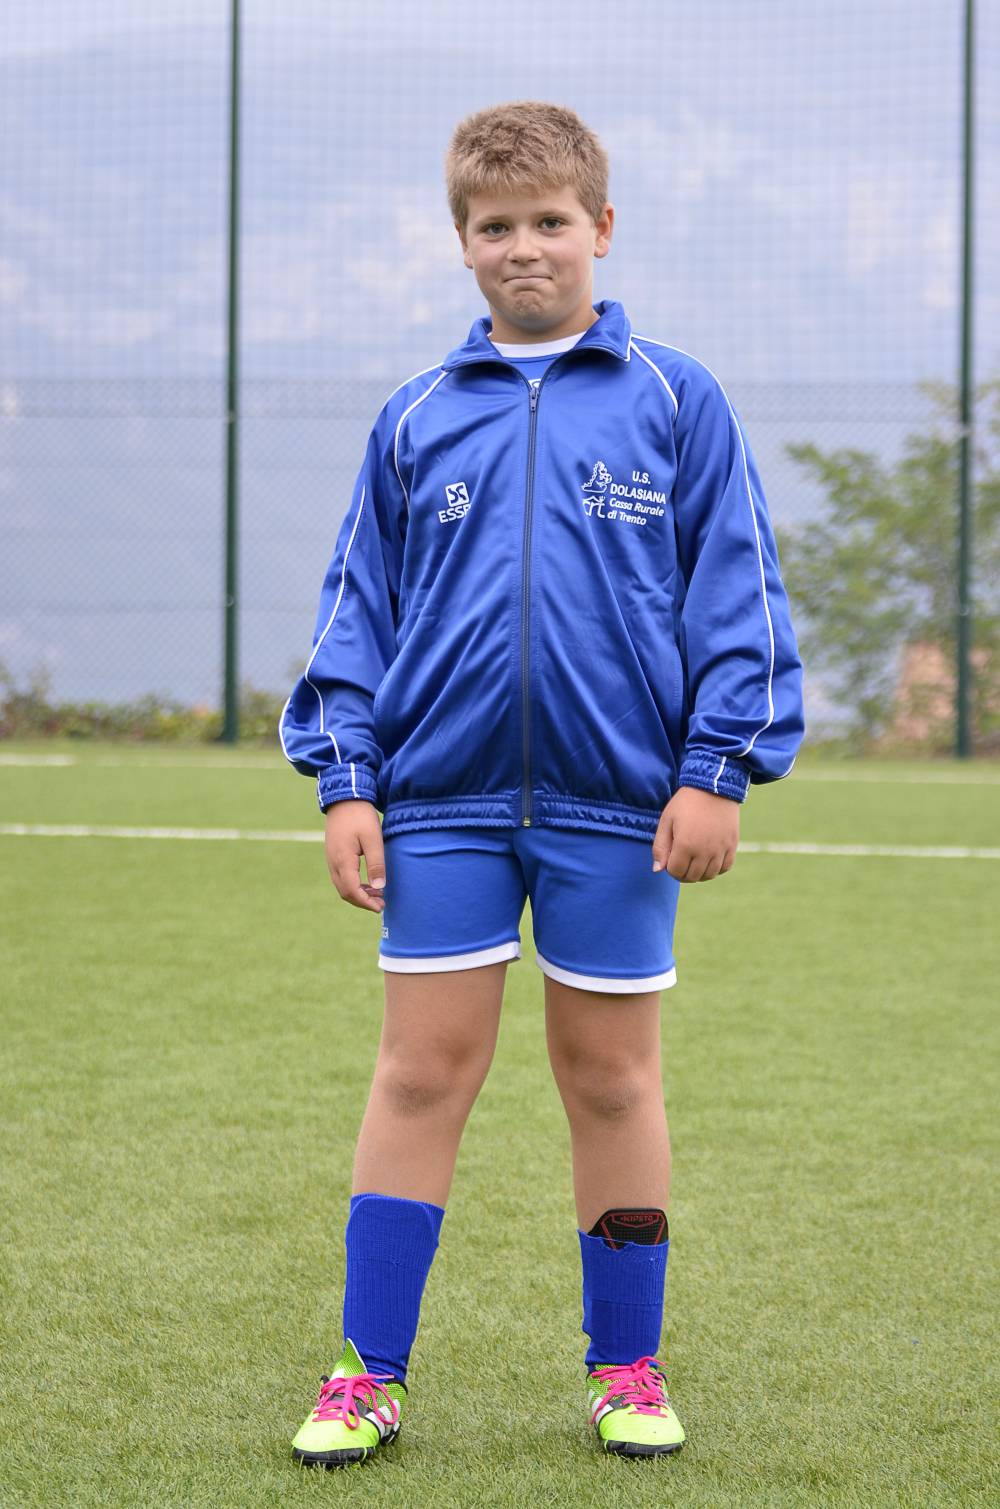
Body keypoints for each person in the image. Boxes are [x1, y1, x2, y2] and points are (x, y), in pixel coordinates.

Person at [279, 99, 804, 1468]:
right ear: (461, 242)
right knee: (419, 1072)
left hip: (620, 811)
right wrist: (348, 782)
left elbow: (738, 590)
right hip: (439, 806)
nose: (526, 247)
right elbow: (356, 610)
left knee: (612, 1079)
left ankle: (626, 1364)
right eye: (497, 225)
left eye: (552, 222)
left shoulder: (676, 398)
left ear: (602, 229)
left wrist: (718, 770)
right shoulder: (414, 416)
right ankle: (367, 1372)